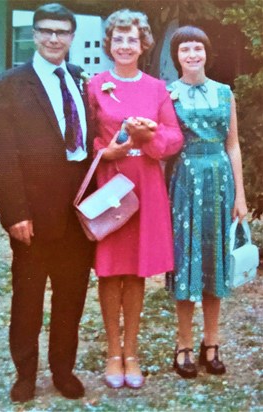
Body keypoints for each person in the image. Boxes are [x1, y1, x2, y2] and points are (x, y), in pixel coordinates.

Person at [0, 3, 94, 402]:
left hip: (77, 216)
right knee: (27, 299)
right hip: (32, 216)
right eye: (46, 31)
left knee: (72, 297)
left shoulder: (83, 80)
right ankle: (25, 374)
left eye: (62, 32)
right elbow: (1, 154)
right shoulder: (8, 85)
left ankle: (63, 371)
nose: (54, 39)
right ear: (34, 33)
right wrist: (15, 214)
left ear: (71, 37)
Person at [87, 9, 183, 389]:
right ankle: (112, 351)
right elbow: (86, 136)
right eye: (118, 38)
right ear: (109, 44)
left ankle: (132, 351)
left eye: (132, 39)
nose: (125, 45)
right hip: (111, 182)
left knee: (136, 270)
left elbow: (174, 137)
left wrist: (150, 137)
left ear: (144, 45)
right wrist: (104, 151)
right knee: (111, 269)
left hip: (144, 181)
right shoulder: (94, 84)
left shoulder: (157, 88)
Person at [166, 26, 247, 378]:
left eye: (198, 48)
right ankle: (184, 343)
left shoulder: (224, 92)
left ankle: (211, 342)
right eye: (185, 49)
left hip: (219, 181)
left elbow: (232, 145)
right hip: (185, 181)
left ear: (206, 52)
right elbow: (165, 144)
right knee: (186, 262)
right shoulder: (168, 95)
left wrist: (240, 195)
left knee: (214, 260)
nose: (192, 55)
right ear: (177, 56)